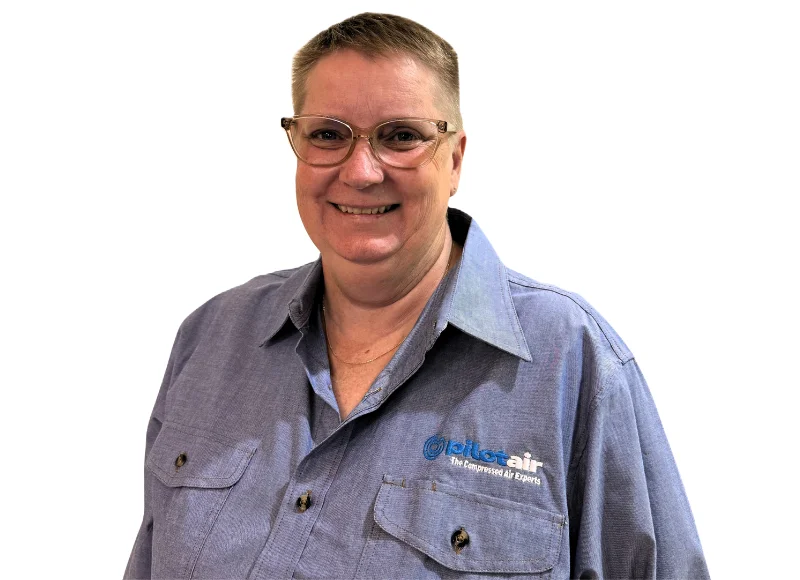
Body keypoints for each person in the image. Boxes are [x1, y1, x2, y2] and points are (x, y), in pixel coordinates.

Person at [125, 12, 709, 579]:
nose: (360, 171)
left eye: (400, 136)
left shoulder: (573, 362)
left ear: (454, 159)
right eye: (328, 134)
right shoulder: (211, 339)